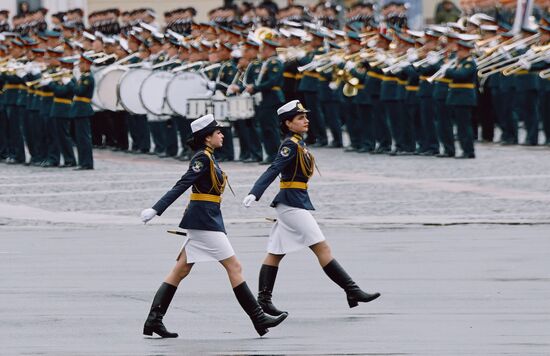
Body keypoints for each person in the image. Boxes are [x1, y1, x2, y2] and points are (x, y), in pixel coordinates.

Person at [139, 114, 287, 338]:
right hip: (204, 221)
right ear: (207, 138)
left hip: (206, 219)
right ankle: (258, 317)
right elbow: (181, 185)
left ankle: (153, 320)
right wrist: (156, 209)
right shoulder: (202, 159)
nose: (222, 135)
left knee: (180, 270)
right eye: (218, 132)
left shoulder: (209, 157)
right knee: (234, 266)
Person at [242, 100, 380, 316]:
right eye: (300, 118)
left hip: (294, 202)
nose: (306, 120)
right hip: (291, 204)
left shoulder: (298, 143)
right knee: (322, 248)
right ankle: (352, 290)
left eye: (305, 116)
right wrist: (254, 192)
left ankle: (264, 300)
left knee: (275, 253)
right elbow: (274, 168)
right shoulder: (290, 145)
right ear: (288, 123)